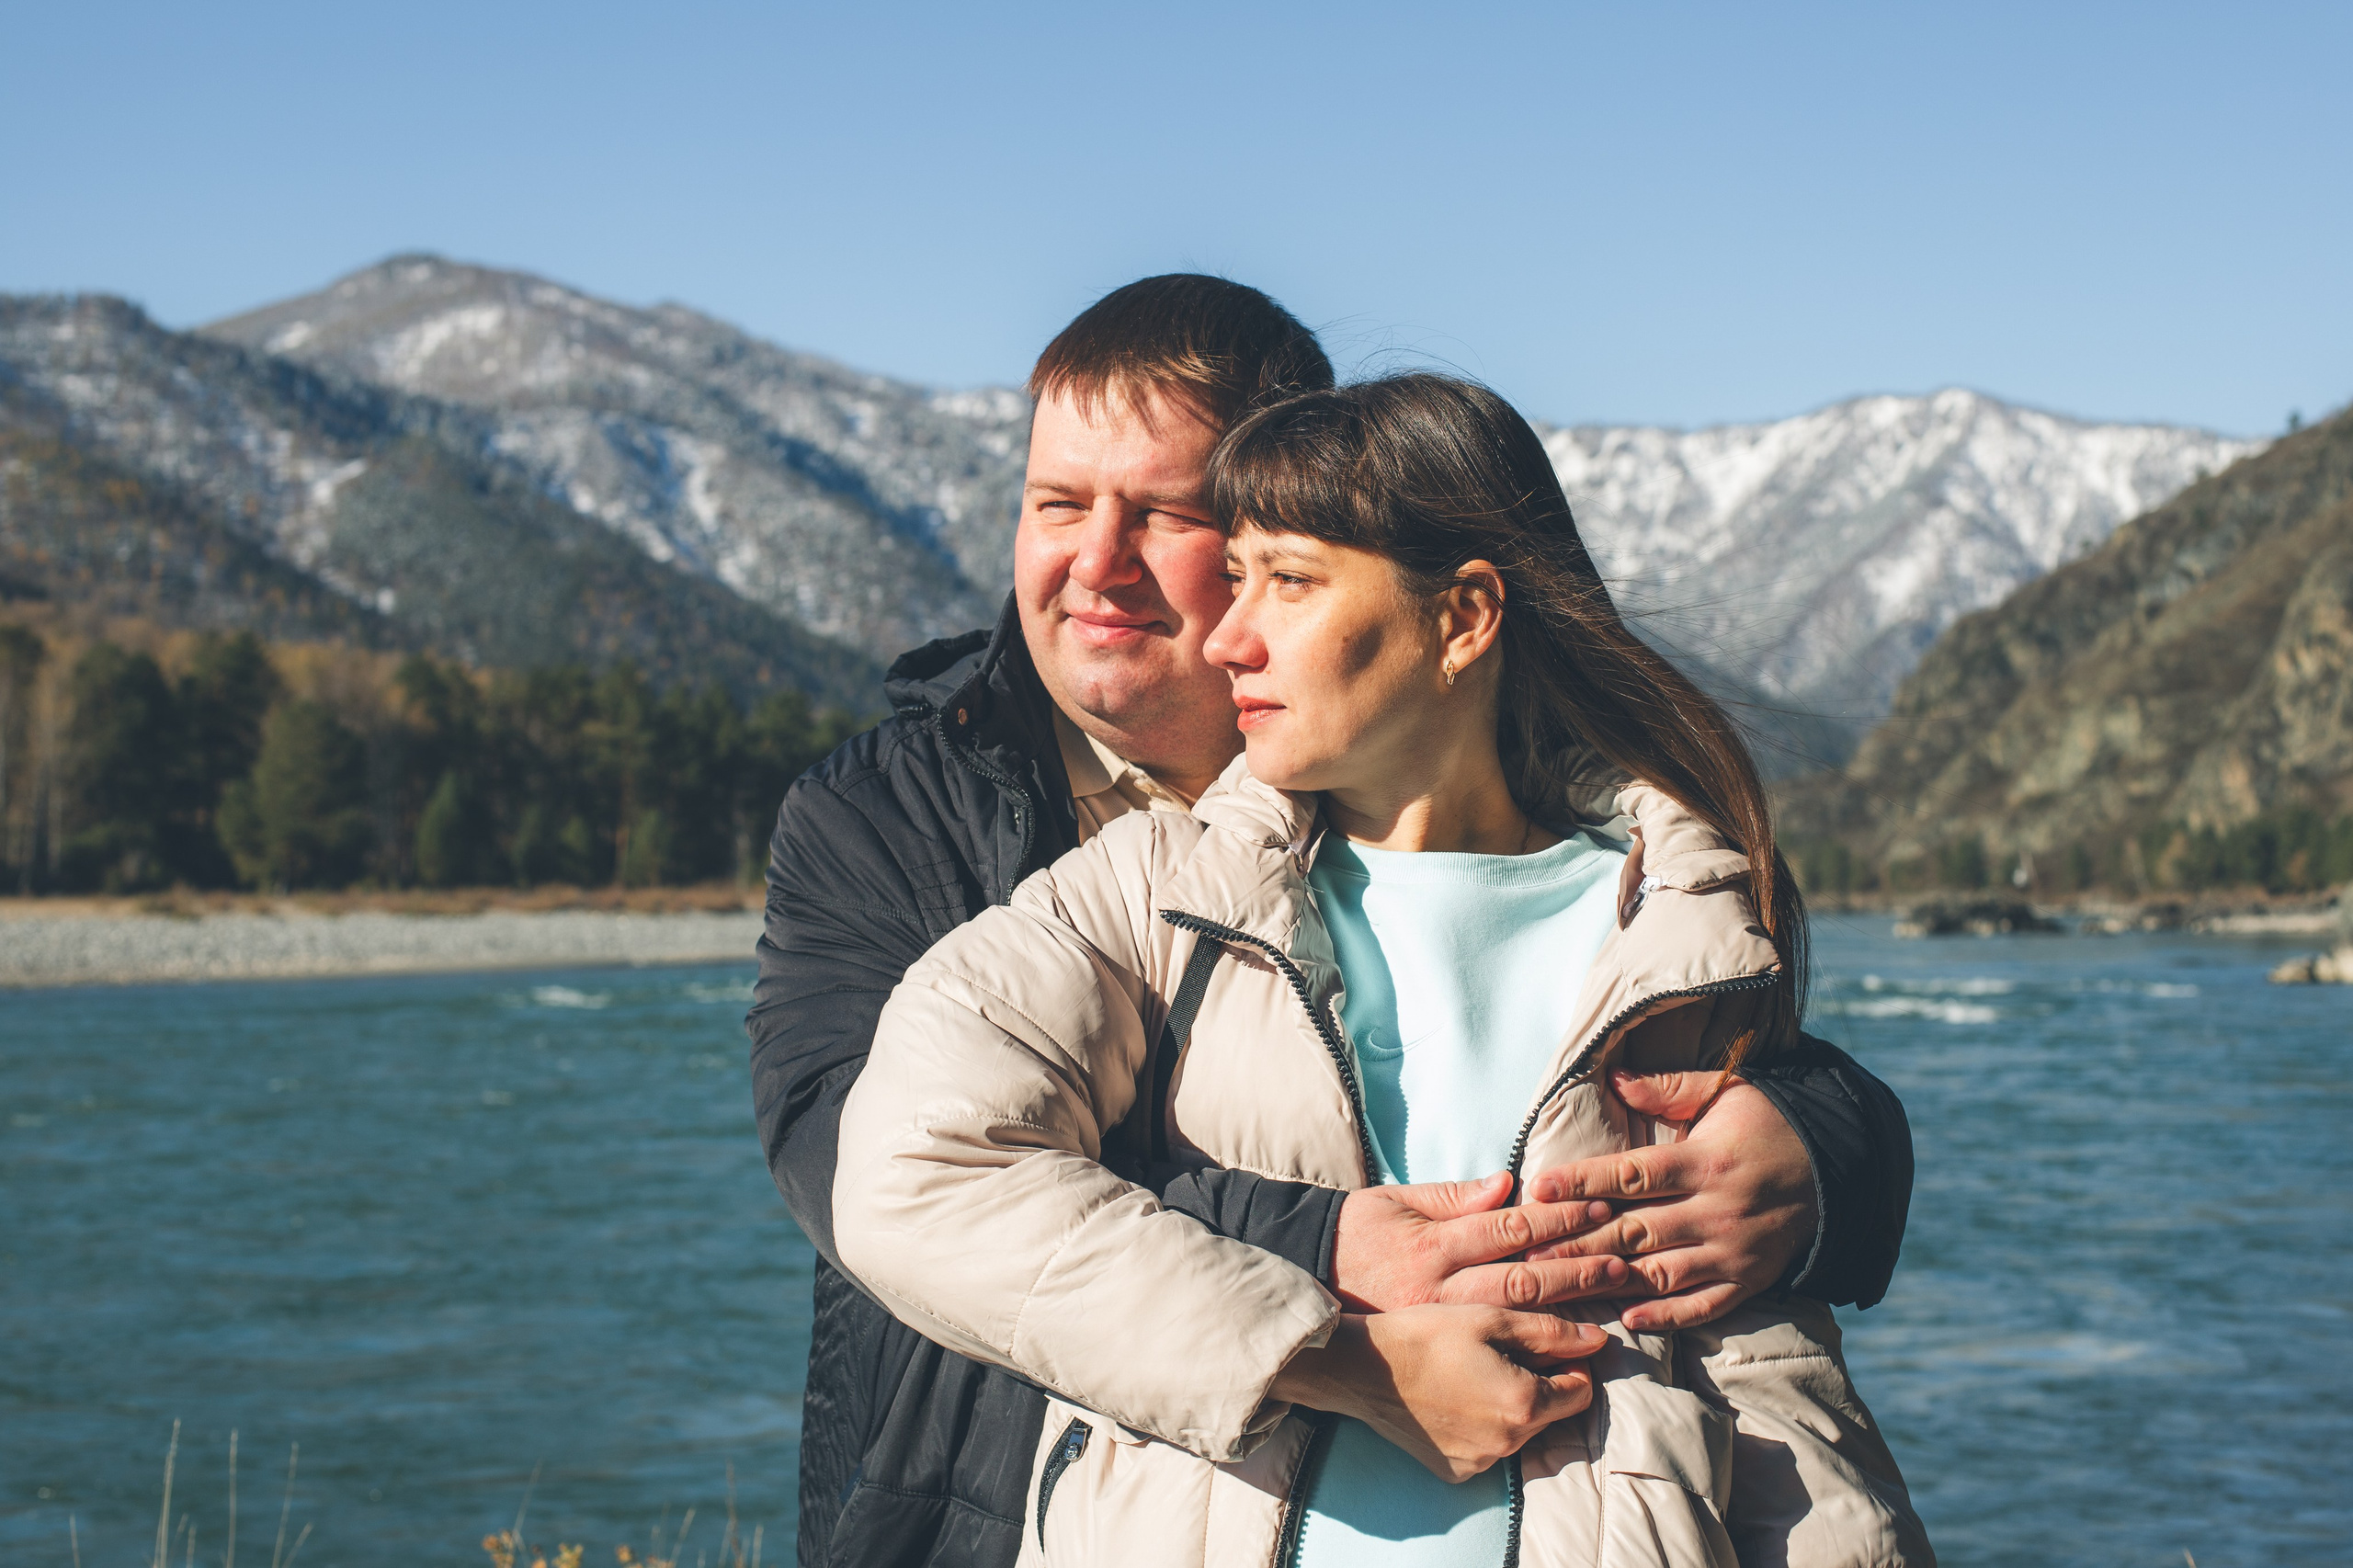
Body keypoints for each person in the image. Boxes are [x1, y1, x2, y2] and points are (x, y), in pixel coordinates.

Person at [750, 281, 1915, 1568]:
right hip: (967, 1511)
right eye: (1057, 504)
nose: (1095, 560)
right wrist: (1329, 1282)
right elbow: (873, 1158)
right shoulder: (895, 818)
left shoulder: (1652, 874)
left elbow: (1695, 1185)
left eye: (1171, 517)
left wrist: (1826, 1147)